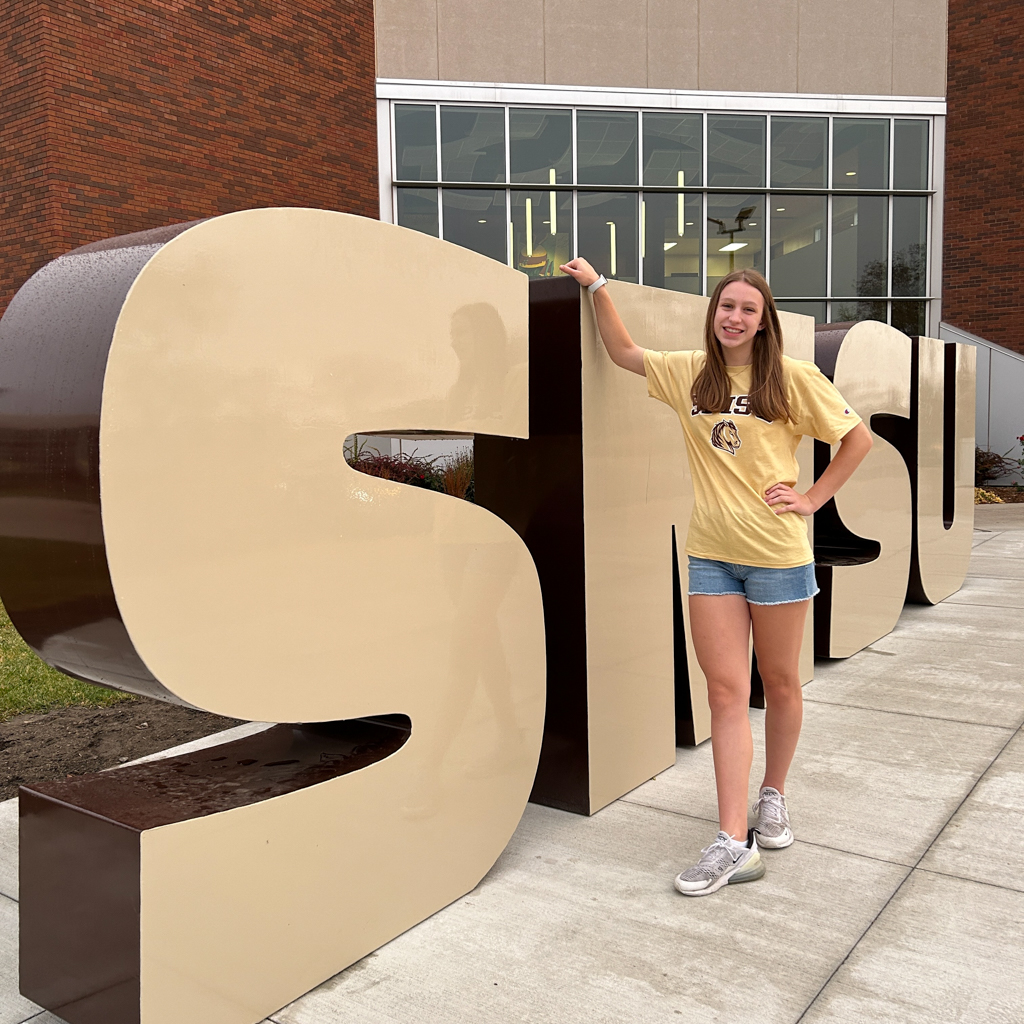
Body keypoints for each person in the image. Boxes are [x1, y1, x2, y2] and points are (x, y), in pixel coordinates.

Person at [559, 258, 873, 897]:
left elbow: (856, 439)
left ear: (763, 323)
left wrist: (812, 499)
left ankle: (774, 796)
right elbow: (622, 352)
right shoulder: (689, 375)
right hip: (711, 556)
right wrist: (597, 287)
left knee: (780, 683)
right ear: (714, 314)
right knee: (726, 694)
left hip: (779, 556)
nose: (734, 317)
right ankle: (734, 840)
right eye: (725, 306)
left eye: (747, 310)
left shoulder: (791, 377)